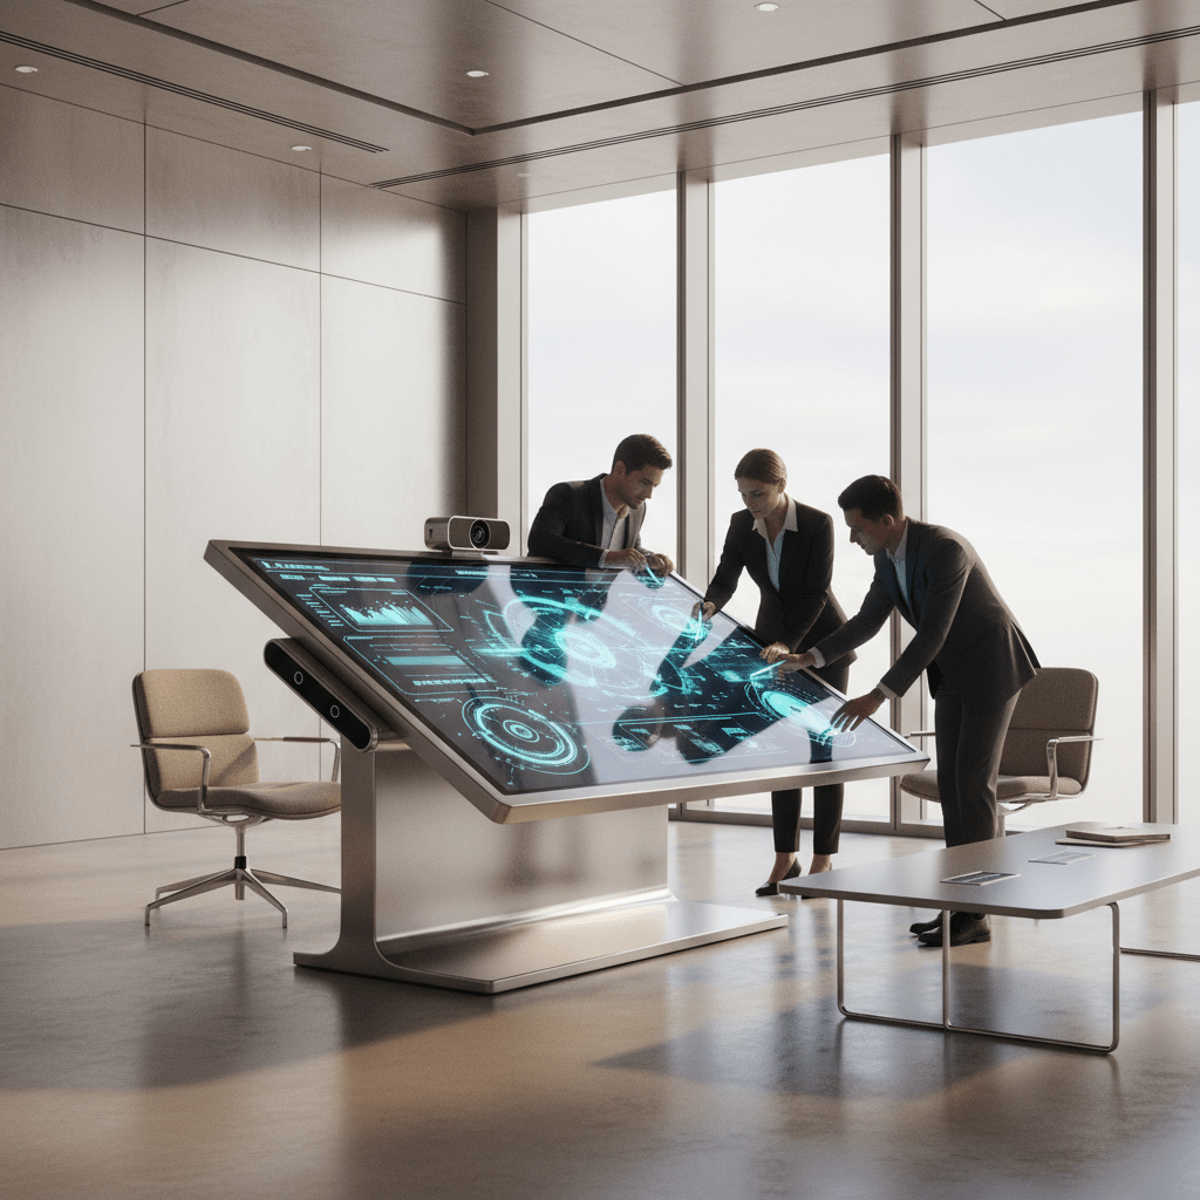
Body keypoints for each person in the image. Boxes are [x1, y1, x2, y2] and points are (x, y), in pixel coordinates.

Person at [779, 474, 1038, 947]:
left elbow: (932, 634)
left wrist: (879, 695)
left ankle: (977, 913)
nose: (853, 539)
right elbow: (865, 622)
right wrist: (810, 657)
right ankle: (959, 905)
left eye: (858, 529)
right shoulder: (888, 559)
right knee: (951, 789)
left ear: (887, 520)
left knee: (973, 787)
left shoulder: (945, 550)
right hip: (953, 675)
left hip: (991, 668)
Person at [693, 449, 855, 897]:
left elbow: (816, 594)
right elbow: (727, 574)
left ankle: (824, 857)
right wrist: (711, 603)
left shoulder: (818, 524)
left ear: (781, 486)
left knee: (822, 746)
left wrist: (792, 646)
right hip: (769, 645)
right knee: (783, 749)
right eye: (744, 494)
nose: (751, 503)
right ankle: (786, 856)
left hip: (822, 644)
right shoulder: (740, 523)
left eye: (758, 493)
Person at [527, 433, 675, 576]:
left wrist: (649, 558)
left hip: (598, 601)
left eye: (654, 486)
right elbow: (540, 541)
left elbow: (629, 550)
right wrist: (608, 557)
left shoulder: (638, 508)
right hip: (545, 598)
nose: (648, 495)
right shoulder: (568, 494)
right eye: (644, 483)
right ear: (620, 470)